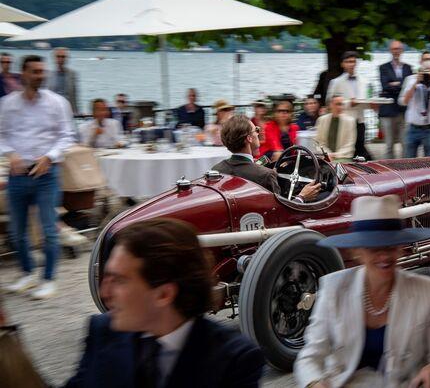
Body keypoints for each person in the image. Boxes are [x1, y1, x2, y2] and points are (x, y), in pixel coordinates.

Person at [65, 218, 265, 387]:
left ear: (164, 294)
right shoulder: (102, 332)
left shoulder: (234, 360)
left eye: (119, 280)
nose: (105, 293)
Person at [294, 195, 430, 388]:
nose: (384, 256)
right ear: (357, 251)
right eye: (373, 248)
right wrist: (314, 383)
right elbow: (309, 357)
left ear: (400, 248)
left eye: (390, 246)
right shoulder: (333, 289)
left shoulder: (429, 292)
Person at [0, 55, 75, 300]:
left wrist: (49, 157)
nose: (40, 75)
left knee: (49, 230)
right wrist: (10, 154)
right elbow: (1, 134)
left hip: (46, 174)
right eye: (35, 71)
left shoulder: (57, 102)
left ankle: (49, 280)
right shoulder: (7, 104)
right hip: (18, 174)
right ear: (23, 74)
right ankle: (28, 273)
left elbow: (66, 136)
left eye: (42, 71)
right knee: (16, 231)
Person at [213, 115, 319, 202]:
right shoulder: (266, 175)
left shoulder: (217, 169)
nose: (258, 133)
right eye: (256, 130)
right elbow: (281, 213)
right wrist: (302, 197)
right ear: (249, 138)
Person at [326, 51, 372, 161]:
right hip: (344, 122)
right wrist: (348, 103)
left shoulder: (364, 81)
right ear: (342, 64)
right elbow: (329, 102)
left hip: (360, 121)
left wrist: (372, 105)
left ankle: (362, 167)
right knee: (347, 150)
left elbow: (366, 100)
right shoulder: (336, 82)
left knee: (360, 148)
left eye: (353, 61)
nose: (351, 64)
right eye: (348, 62)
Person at [378, 40, 413, 159]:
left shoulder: (408, 68)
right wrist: (402, 84)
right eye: (394, 49)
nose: (396, 51)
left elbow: (410, 86)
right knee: (389, 145)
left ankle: (404, 168)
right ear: (390, 50)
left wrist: (395, 84)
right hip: (387, 111)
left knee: (405, 144)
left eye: (398, 49)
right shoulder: (383, 67)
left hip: (404, 111)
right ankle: (389, 169)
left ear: (402, 50)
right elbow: (385, 86)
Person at [314, 95, 357, 161]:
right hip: (325, 156)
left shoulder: (350, 121)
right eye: (337, 104)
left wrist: (336, 155)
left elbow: (350, 145)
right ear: (330, 105)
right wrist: (327, 154)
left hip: (343, 157)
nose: (340, 107)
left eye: (342, 104)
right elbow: (319, 142)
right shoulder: (321, 120)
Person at [46, 47, 79, 114]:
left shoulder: (72, 74)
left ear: (67, 58)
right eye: (58, 56)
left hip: (67, 111)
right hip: (52, 112)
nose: (61, 59)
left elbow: (74, 96)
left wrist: (76, 112)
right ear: (54, 58)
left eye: (63, 57)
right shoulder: (48, 75)